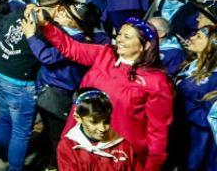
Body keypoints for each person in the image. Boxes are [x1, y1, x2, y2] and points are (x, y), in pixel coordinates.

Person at [29, 14, 173, 171]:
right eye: (119, 34)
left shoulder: (156, 81)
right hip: (81, 142)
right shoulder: (105, 54)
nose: (119, 39)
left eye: (127, 37)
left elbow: (158, 130)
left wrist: (152, 165)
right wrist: (47, 26)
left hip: (116, 153)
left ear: (144, 46)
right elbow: (71, 48)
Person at [25, 0, 109, 164]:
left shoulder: (79, 41)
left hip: (59, 94)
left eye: (67, 13)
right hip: (47, 87)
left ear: (78, 23)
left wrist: (31, 36)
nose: (61, 13)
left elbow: (48, 56)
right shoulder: (66, 30)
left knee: (58, 136)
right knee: (49, 128)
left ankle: (54, 163)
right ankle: (46, 147)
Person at [0, 0, 38, 171]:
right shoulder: (41, 28)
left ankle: (1, 160)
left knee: (5, 117)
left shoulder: (11, 14)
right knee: (20, 132)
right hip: (19, 82)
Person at [56, 89, 136, 171]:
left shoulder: (124, 146)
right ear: (78, 118)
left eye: (106, 121)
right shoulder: (68, 147)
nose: (102, 128)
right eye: (94, 122)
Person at [174, 26, 217, 171]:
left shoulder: (215, 78)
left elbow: (208, 118)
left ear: (213, 43)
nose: (191, 38)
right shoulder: (188, 67)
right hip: (183, 135)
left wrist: (180, 102)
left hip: (201, 144)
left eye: (198, 36)